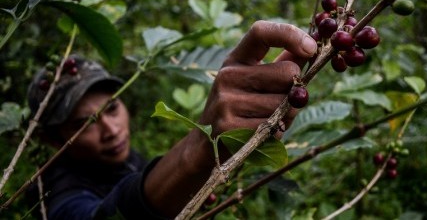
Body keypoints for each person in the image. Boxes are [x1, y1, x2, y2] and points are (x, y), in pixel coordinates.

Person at [26, 20, 317, 219]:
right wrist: (201, 148)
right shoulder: (55, 193)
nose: (111, 130)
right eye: (83, 124)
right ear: (53, 139)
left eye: (111, 108)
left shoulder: (125, 162)